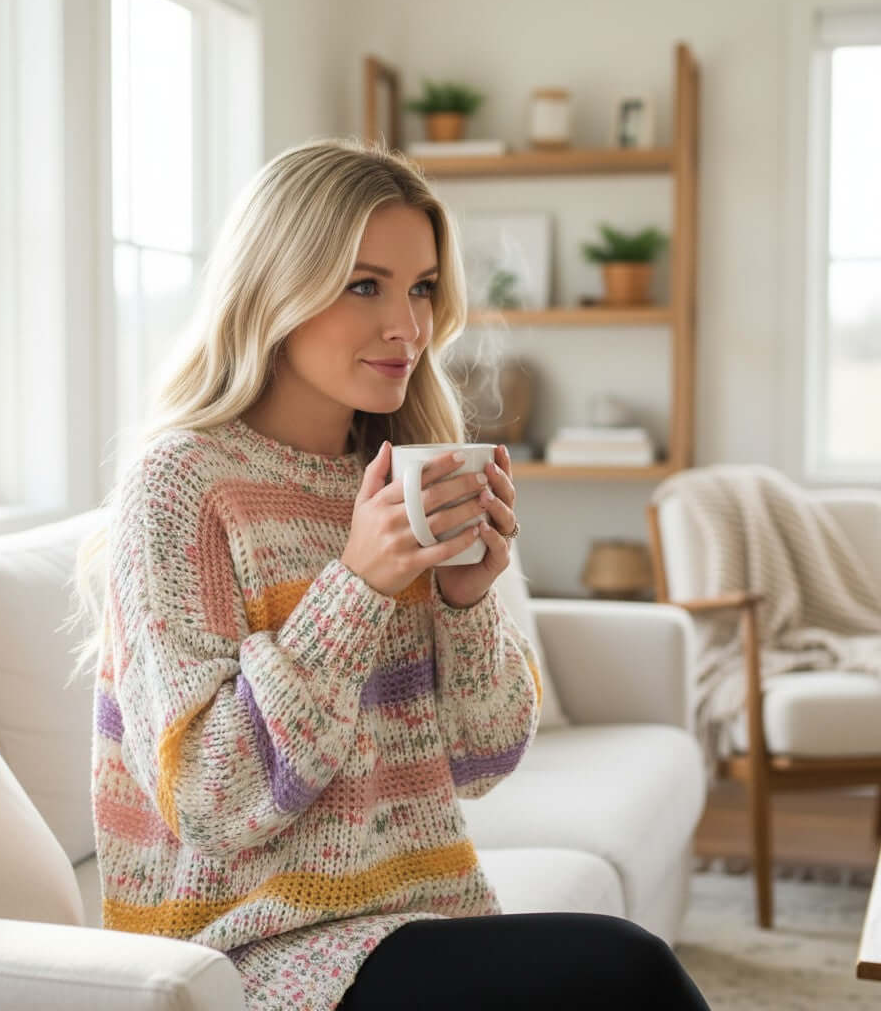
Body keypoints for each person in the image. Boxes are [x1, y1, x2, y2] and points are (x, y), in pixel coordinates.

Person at [66, 136, 711, 1011]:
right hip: (254, 950)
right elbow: (213, 803)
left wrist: (467, 601)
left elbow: (483, 759)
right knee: (625, 972)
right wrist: (356, 587)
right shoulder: (184, 483)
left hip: (419, 918)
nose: (406, 326)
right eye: (364, 284)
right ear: (275, 288)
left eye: (422, 288)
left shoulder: (397, 466)